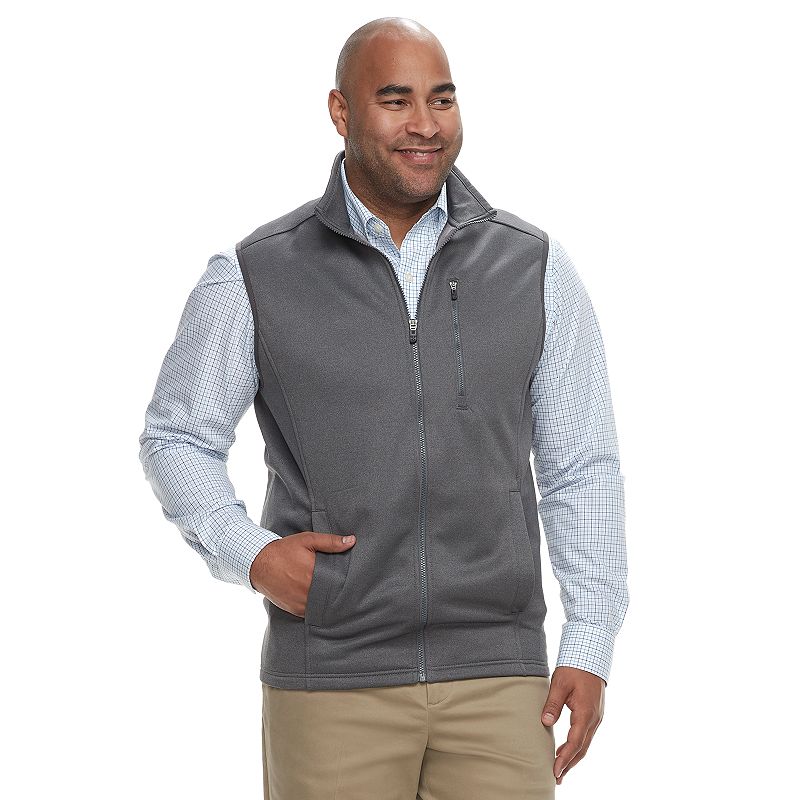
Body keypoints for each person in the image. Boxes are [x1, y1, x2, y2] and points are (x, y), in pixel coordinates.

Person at [138, 16, 629, 800]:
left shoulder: (533, 266)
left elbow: (582, 465)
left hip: (500, 677)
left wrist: (591, 640)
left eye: (442, 99)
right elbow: (176, 436)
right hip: (332, 675)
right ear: (341, 112)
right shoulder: (256, 273)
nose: (425, 124)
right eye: (396, 100)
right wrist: (252, 554)